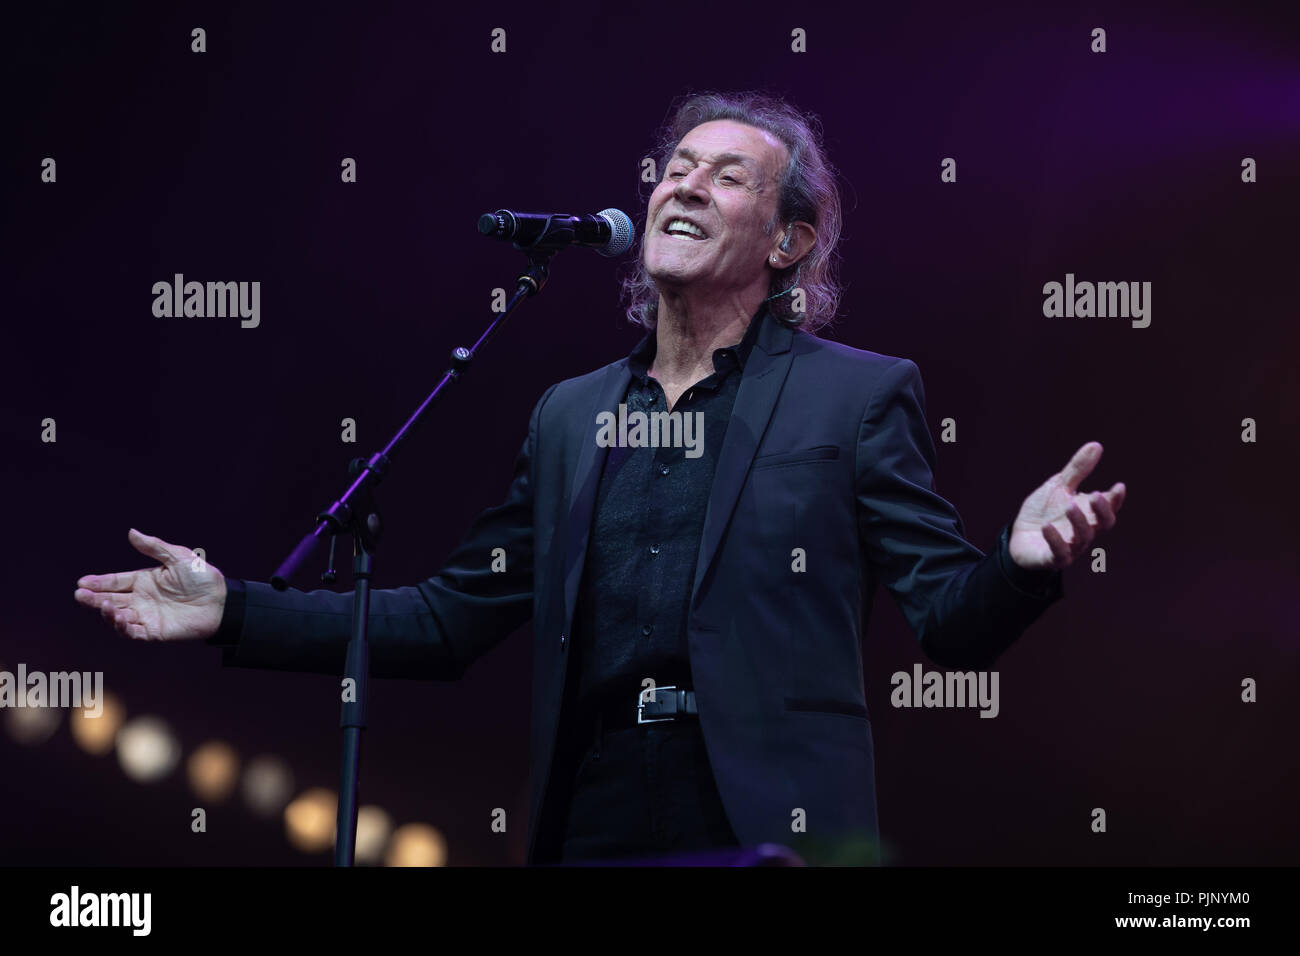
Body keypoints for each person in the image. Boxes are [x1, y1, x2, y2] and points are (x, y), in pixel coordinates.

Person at [74, 91, 1126, 866]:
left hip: (767, 831)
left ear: (790, 239)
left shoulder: (853, 397)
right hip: (589, 825)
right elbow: (451, 618)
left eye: (725, 175)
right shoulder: (573, 414)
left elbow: (949, 617)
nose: (683, 183)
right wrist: (234, 612)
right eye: (674, 166)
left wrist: (1022, 561)